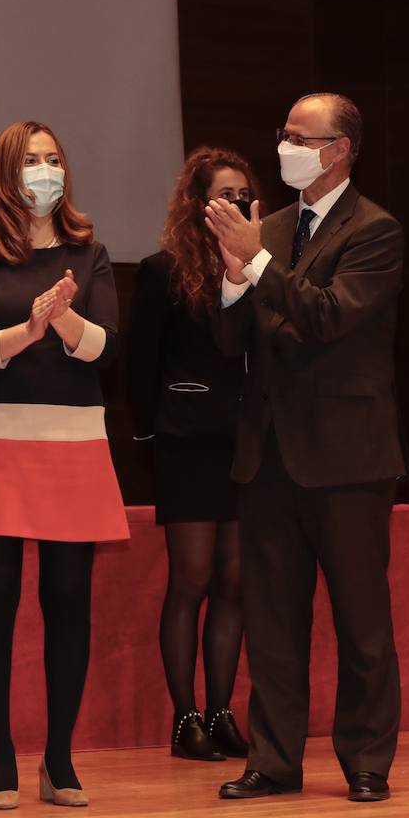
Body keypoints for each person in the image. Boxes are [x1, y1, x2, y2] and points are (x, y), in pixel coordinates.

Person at [204, 93, 405, 803]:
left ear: (339, 149)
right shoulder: (275, 227)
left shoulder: (375, 230)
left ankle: (366, 760)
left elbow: (328, 317)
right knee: (273, 621)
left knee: (361, 621)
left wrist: (254, 264)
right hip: (269, 455)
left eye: (300, 136)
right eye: (282, 132)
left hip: (347, 455)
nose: (284, 145)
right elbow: (233, 344)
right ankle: (274, 760)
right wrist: (233, 281)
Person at [0, 121, 128, 811]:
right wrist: (28, 331)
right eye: (31, 161)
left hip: (70, 445)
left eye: (53, 160)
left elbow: (105, 350)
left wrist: (64, 321)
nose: (45, 172)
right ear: (4, 173)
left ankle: (60, 759)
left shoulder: (90, 251)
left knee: (68, 602)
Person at [126, 147, 253, 762]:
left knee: (235, 582)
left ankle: (222, 709)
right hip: (186, 442)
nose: (236, 204)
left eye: (243, 195)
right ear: (196, 203)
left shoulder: (261, 268)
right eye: (224, 194)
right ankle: (185, 717)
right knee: (193, 578)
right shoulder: (162, 269)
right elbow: (140, 363)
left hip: (244, 444)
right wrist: (153, 434)